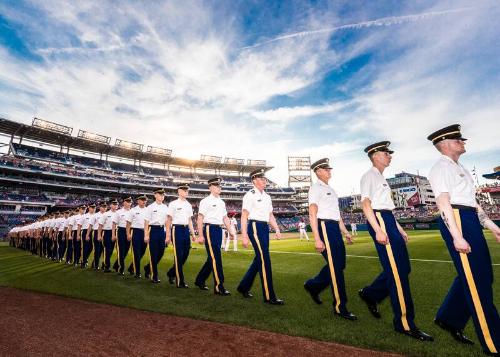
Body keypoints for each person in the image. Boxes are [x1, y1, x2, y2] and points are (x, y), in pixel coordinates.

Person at [427, 124, 500, 354]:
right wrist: (456, 236)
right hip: (457, 219)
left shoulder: (460, 167)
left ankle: (449, 318)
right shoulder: (441, 168)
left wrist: (490, 225)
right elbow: (443, 202)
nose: (463, 142)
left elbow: (472, 203)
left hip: (467, 217)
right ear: (446, 144)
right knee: (477, 282)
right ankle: (494, 343)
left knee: (482, 275)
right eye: (459, 140)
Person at [358, 141, 433, 341]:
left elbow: (388, 209)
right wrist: (378, 230)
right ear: (375, 156)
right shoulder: (369, 176)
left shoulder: (381, 178)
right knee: (398, 274)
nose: (390, 155)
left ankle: (371, 294)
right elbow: (366, 205)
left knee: (403, 269)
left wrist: (399, 229)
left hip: (389, 221)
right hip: (381, 222)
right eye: (386, 152)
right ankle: (405, 324)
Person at [304, 158, 356, 320]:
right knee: (335, 268)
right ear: (318, 171)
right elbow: (312, 213)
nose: (329, 171)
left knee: (339, 265)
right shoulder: (315, 188)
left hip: (334, 227)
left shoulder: (331, 190)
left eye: (329, 169)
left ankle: (313, 285)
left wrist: (346, 232)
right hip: (324, 227)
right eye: (326, 169)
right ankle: (340, 307)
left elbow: (337, 215)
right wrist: (317, 238)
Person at [237, 168, 284, 305]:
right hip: (254, 227)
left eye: (265, 178)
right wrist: (244, 235)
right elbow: (244, 215)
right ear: (254, 180)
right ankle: (270, 296)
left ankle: (243, 286)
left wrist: (276, 229)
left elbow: (270, 215)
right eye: (262, 179)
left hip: (264, 227)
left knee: (259, 259)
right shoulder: (249, 195)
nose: (265, 181)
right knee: (265, 260)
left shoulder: (267, 196)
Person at [194, 177, 231, 295]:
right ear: (210, 187)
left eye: (220, 186)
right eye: (216, 186)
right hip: (209, 229)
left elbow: (225, 218)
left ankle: (200, 280)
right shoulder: (205, 201)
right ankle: (219, 286)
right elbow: (200, 218)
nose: (219, 187)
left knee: (212, 258)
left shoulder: (222, 202)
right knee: (216, 258)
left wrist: (231, 231)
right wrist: (200, 235)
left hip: (218, 230)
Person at [166, 183, 195, 288]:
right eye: (184, 190)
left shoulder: (188, 204)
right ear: (179, 191)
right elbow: (168, 220)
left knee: (185, 255)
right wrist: (168, 235)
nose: (187, 192)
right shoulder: (173, 204)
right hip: (176, 229)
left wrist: (192, 233)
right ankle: (180, 281)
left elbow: (189, 220)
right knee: (178, 256)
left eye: (187, 190)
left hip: (185, 230)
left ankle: (171, 273)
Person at [144, 188, 168, 283]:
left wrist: (167, 235)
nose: (162, 196)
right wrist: (146, 235)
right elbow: (146, 222)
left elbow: (167, 222)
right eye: (160, 194)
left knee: (161, 252)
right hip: (153, 229)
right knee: (153, 254)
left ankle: (147, 268)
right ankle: (154, 276)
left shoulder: (165, 207)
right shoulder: (150, 207)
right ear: (155, 195)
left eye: (163, 195)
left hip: (162, 230)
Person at [126, 195, 148, 278]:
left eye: (145, 200)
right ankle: (137, 272)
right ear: (138, 200)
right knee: (136, 252)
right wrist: (128, 234)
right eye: (142, 199)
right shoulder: (133, 210)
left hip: (145, 232)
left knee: (142, 252)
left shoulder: (148, 210)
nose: (144, 201)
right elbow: (128, 223)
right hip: (136, 232)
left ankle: (132, 267)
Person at [112, 197, 132, 275]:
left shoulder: (133, 211)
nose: (129, 203)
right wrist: (113, 234)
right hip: (121, 231)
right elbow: (114, 224)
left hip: (130, 231)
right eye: (127, 201)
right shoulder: (119, 212)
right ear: (124, 202)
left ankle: (116, 265)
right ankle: (121, 268)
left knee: (126, 250)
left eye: (130, 202)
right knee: (121, 250)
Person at [98, 200, 118, 273]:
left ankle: (105, 263)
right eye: (114, 204)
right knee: (107, 250)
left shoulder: (118, 213)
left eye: (116, 204)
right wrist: (99, 235)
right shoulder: (105, 214)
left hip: (116, 232)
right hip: (107, 232)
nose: (115, 206)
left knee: (111, 250)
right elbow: (100, 225)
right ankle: (106, 266)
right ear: (110, 205)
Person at [80, 204, 95, 268]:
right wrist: (78, 234)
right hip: (85, 231)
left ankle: (85, 259)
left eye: (94, 207)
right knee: (85, 247)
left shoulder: (96, 215)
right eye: (92, 207)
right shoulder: (84, 216)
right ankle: (83, 262)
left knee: (91, 247)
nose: (93, 209)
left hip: (93, 232)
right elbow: (79, 225)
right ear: (89, 208)